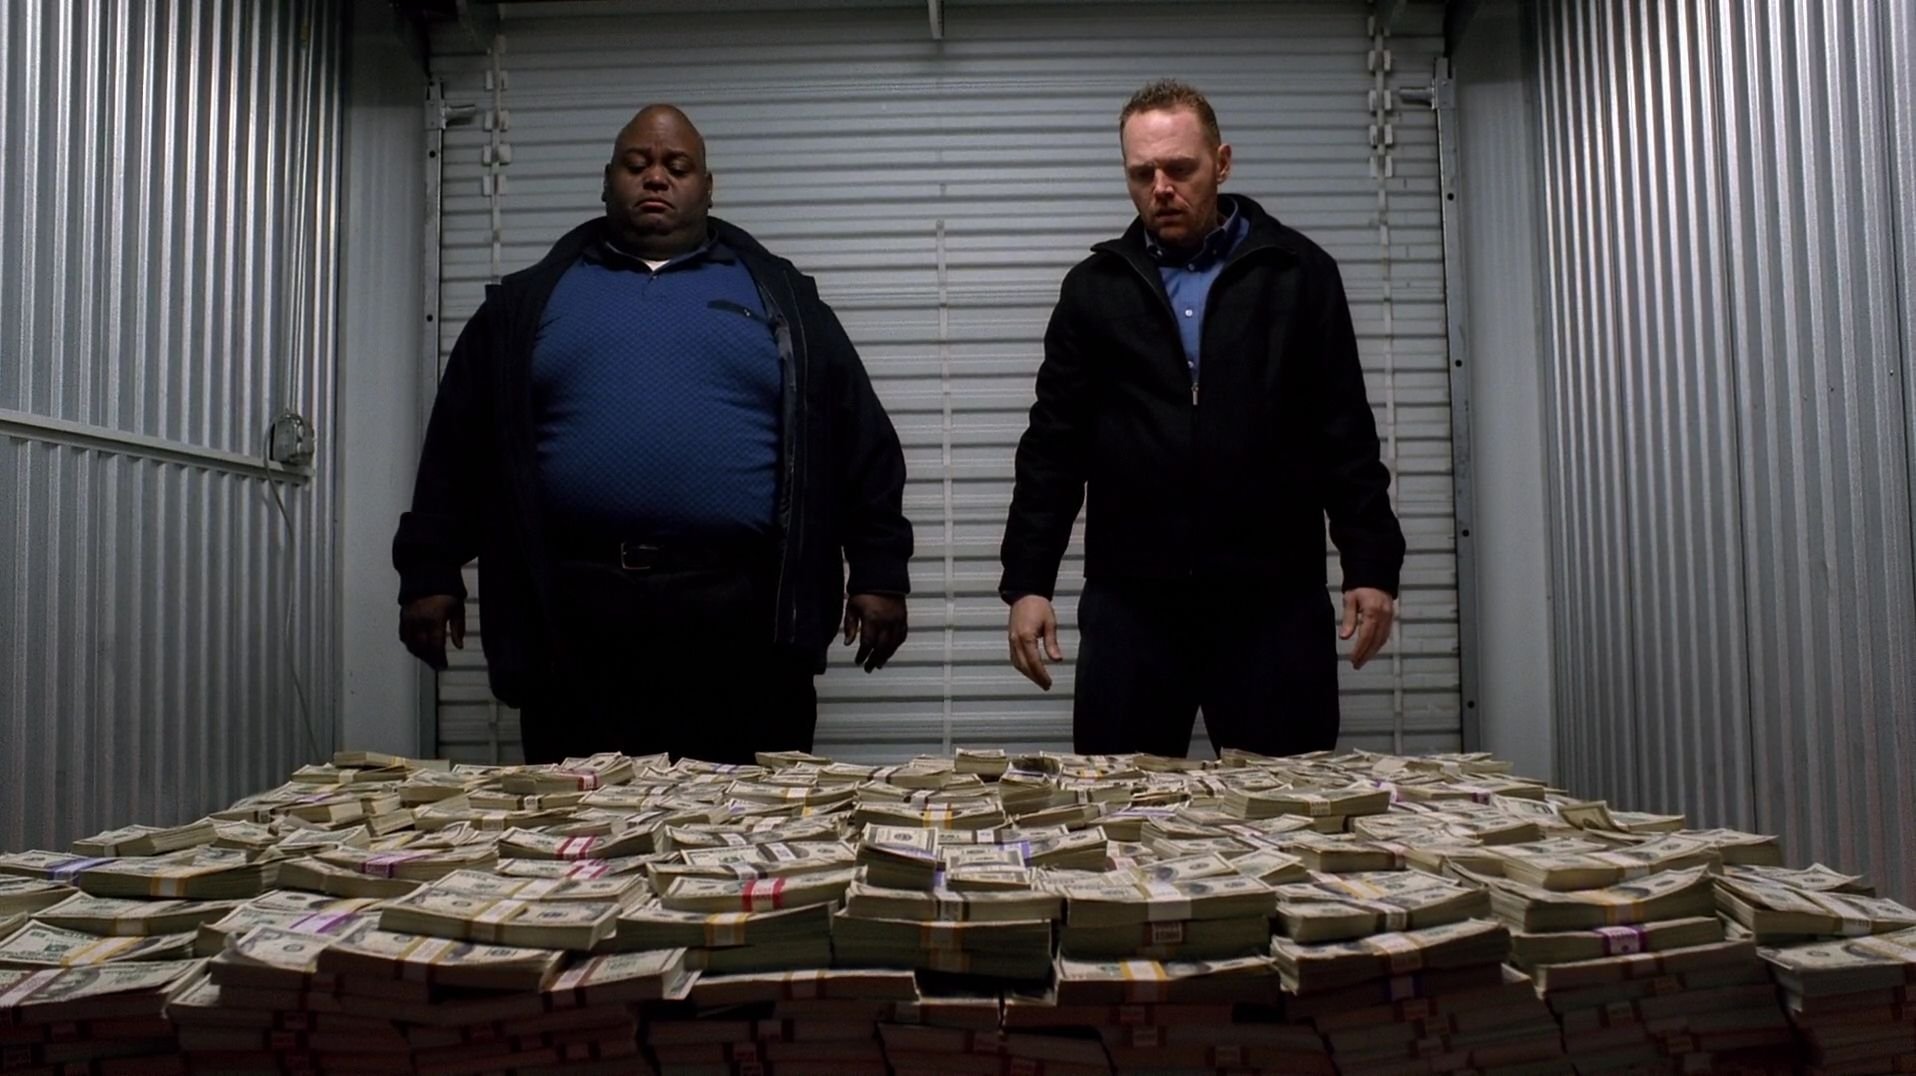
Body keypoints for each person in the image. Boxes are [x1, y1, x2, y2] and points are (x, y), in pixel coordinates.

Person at [394, 105, 913, 765]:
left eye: (677, 166)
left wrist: (879, 571)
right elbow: (456, 446)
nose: (656, 178)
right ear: (606, 180)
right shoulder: (526, 306)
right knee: (580, 817)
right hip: (574, 615)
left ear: (708, 186)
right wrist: (430, 570)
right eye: (637, 165)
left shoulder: (785, 302)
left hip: (743, 618)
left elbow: (860, 441)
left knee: (744, 816)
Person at [999, 80, 1406, 758]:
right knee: (1122, 807)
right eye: (1142, 173)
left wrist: (1371, 565)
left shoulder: (1299, 275)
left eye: (1179, 169)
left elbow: (1343, 432)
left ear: (1221, 163)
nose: (1161, 188)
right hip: (1133, 603)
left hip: (1273, 601)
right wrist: (1028, 583)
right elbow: (1053, 448)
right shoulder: (1094, 291)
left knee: (1286, 804)